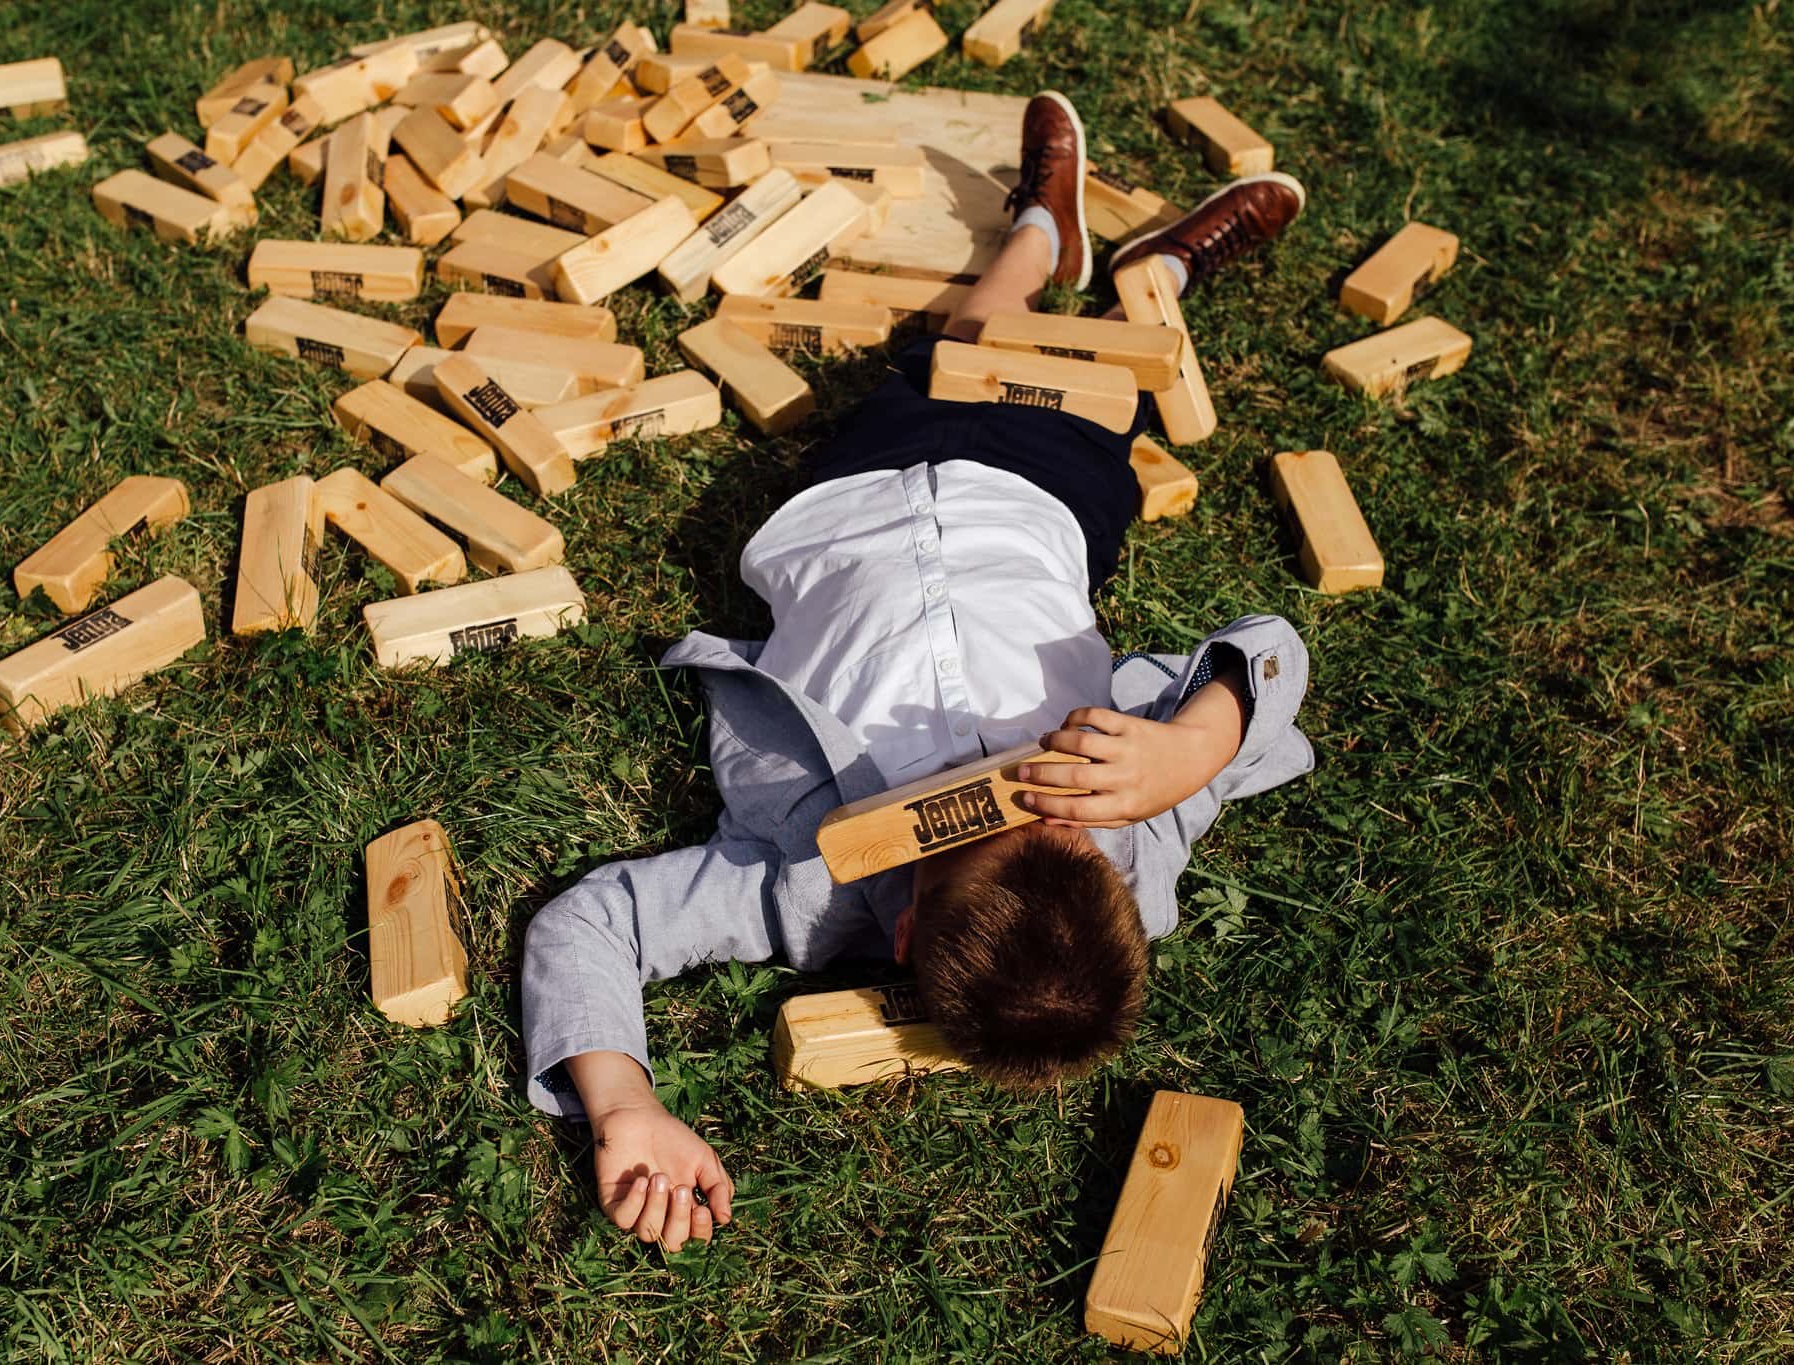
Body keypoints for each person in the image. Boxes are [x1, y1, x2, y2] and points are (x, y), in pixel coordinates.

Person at [520, 92, 1314, 1253]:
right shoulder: (1135, 829)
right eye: (1065, 817)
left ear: (896, 932)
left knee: (944, 358)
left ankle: (1055, 247)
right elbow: (1275, 654)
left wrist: (623, 1103)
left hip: (840, 506)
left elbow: (595, 920)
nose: (1028, 787)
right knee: (1101, 385)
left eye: (985, 815)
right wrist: (1192, 743)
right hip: (1039, 504)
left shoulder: (802, 886)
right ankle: (1126, 270)